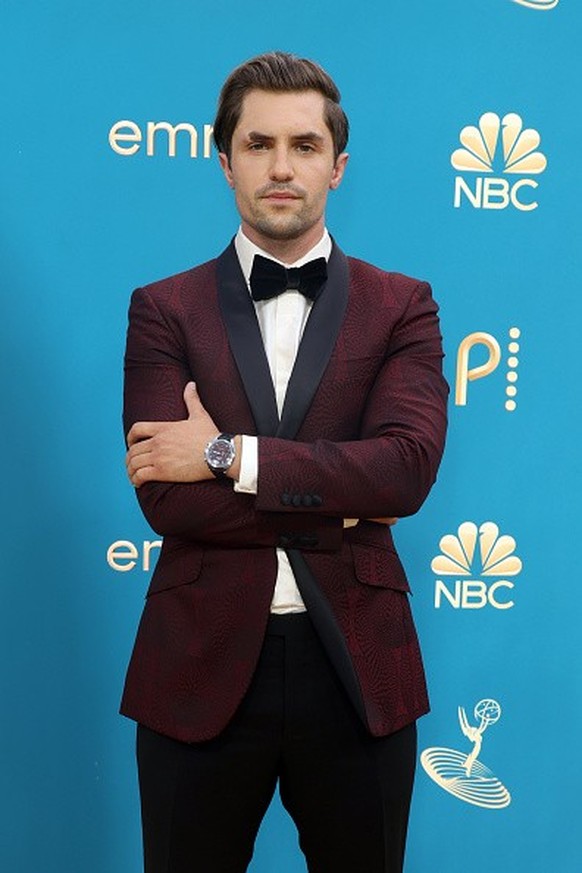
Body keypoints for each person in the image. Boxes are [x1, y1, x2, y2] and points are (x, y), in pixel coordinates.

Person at [122, 51, 448, 873]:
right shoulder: (163, 309)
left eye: (303, 145)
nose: (280, 166)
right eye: (259, 143)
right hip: (196, 663)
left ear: (337, 167)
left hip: (359, 672)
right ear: (222, 157)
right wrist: (342, 495)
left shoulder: (402, 305)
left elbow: (403, 473)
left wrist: (226, 454)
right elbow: (169, 499)